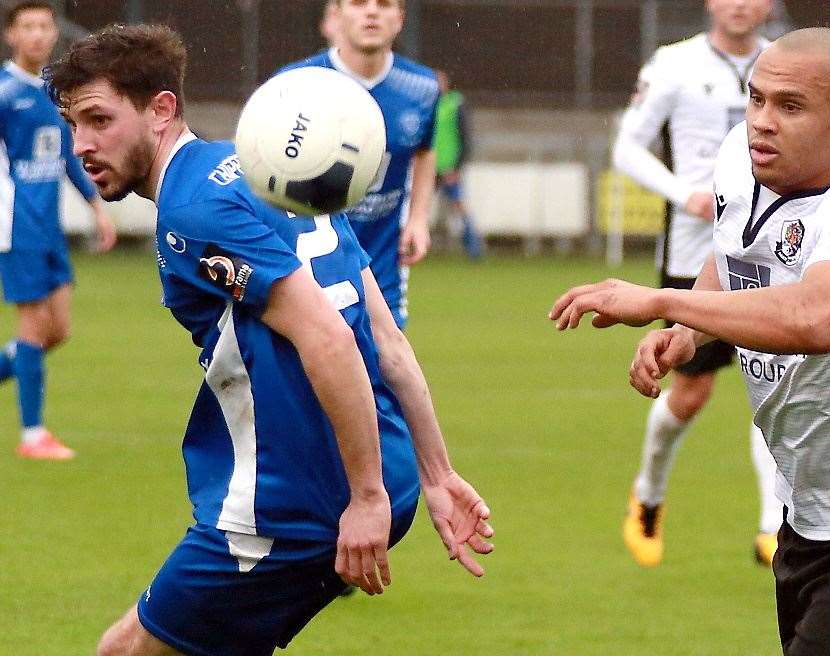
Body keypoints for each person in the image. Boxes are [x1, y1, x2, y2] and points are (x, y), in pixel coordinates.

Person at [46, 23, 493, 656]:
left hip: (294, 504)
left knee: (122, 652)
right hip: (382, 474)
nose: (82, 145)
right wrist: (436, 474)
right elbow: (386, 337)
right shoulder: (272, 172)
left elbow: (334, 338)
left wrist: (365, 497)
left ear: (162, 110)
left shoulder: (193, 211)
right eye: (73, 126)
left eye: (98, 119)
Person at [551, 28, 830, 656]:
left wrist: (662, 300)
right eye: (756, 99)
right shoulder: (738, 157)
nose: (761, 122)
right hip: (807, 514)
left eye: (790, 106)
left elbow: (819, 319)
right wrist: (688, 331)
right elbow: (733, 256)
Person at [611, 0, 779, 567]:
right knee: (691, 391)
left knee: (776, 384)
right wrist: (685, 195)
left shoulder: (782, 64)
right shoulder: (674, 64)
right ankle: (649, 495)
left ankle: (774, 527)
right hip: (693, 256)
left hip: (772, 252)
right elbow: (626, 147)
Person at [0, 0, 116, 460]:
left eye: (44, 26)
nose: (36, 35)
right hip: (15, 225)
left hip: (48, 226)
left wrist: (96, 207)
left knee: (57, 330)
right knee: (32, 328)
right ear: (11, 35)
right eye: (26, 26)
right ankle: (33, 435)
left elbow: (68, 155)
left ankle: (19, 373)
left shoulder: (55, 91)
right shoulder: (5, 92)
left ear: (54, 34)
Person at [279, 0, 438, 328]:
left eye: (383, 4)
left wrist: (419, 219)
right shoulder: (295, 83)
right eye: (358, 3)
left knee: (387, 366)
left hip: (384, 260)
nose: (371, 12)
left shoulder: (422, 88)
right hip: (311, 258)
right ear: (336, 16)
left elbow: (424, 150)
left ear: (400, 19)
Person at [433, 69, 482, 259]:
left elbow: (465, 137)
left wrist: (457, 166)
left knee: (459, 206)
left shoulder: (455, 103)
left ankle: (474, 249)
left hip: (448, 166)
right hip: (428, 168)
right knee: (413, 207)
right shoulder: (426, 104)